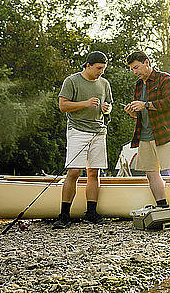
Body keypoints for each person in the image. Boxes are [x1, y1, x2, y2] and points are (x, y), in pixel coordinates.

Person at [53, 51, 113, 229]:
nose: (101, 72)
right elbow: (63, 106)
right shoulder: (72, 81)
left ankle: (91, 213)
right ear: (88, 65)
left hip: (98, 132)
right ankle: (64, 215)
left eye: (103, 68)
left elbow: (109, 106)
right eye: (98, 68)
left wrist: (106, 108)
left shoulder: (104, 83)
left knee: (94, 173)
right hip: (77, 131)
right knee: (74, 172)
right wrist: (85, 103)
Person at [123, 51, 170, 209]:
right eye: (132, 69)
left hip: (165, 133)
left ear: (147, 62)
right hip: (144, 136)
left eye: (137, 67)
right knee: (150, 172)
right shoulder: (138, 85)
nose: (135, 72)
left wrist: (145, 104)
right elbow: (141, 113)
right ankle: (162, 207)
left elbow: (169, 103)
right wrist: (133, 112)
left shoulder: (165, 79)